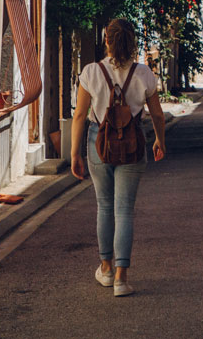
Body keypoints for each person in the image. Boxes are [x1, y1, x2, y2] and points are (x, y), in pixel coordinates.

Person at [71, 18, 167, 297]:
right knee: (124, 209)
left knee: (105, 205)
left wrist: (75, 152)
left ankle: (106, 269)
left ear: (107, 40)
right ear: (132, 41)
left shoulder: (91, 72)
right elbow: (157, 114)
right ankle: (122, 279)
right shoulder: (144, 74)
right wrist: (160, 140)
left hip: (97, 143)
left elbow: (79, 115)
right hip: (133, 144)